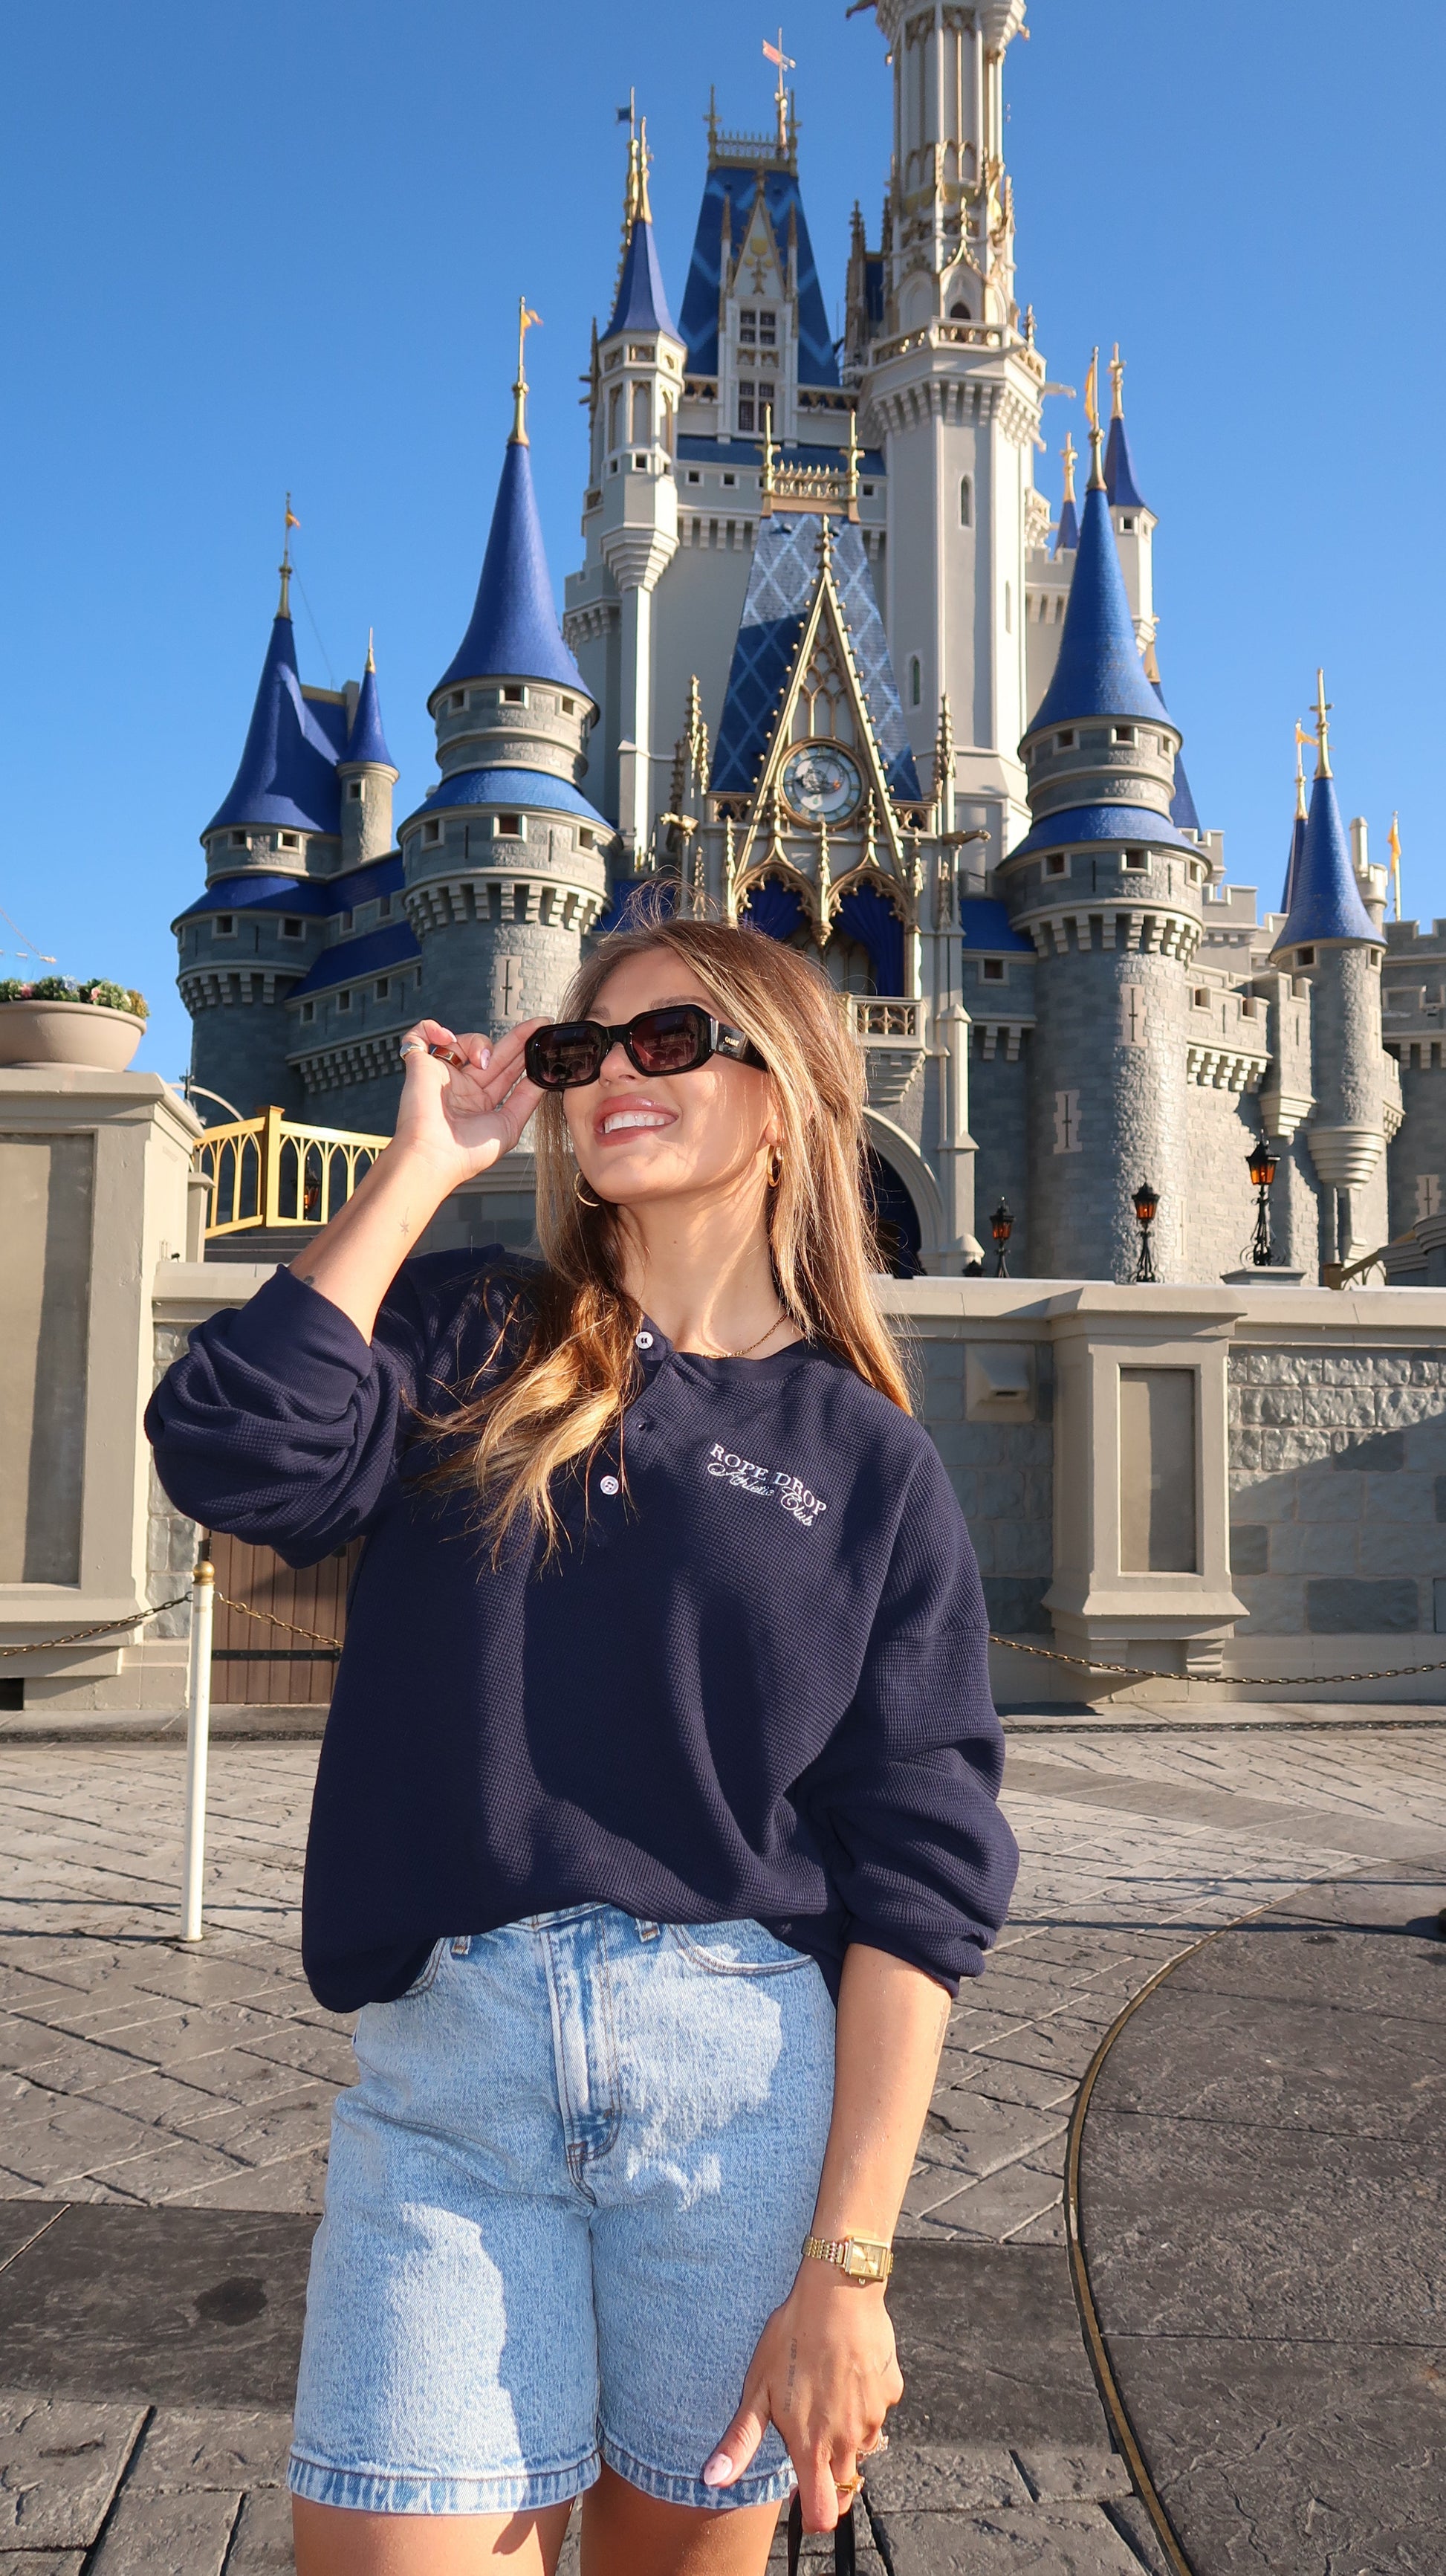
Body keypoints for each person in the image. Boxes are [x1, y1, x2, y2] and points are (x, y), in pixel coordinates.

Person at [147, 915, 1018, 2576]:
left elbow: (923, 1872)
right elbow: (232, 1449)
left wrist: (848, 2266)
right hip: (450, 2088)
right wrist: (422, 1168)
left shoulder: (866, 1457)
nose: (610, 1069)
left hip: (737, 2101)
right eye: (577, 1047)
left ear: (786, 1096)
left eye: (667, 1038)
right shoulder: (471, 1332)